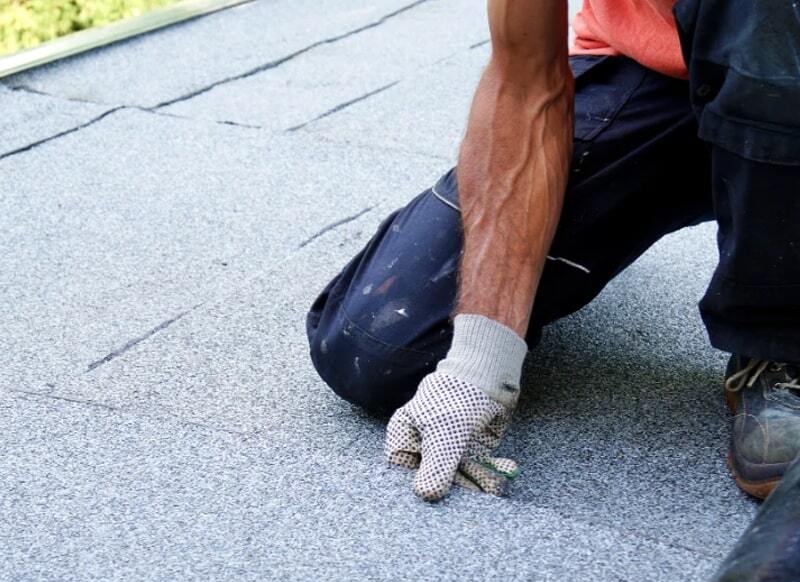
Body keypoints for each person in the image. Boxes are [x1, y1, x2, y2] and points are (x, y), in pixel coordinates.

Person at [306, 0, 800, 502]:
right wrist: (479, 362)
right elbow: (526, 81)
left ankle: (780, 340)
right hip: (658, 82)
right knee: (378, 350)